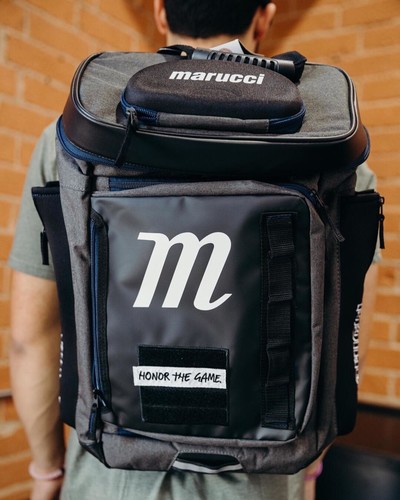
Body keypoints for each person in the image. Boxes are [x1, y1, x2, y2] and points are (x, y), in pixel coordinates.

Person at [8, 1, 378, 499]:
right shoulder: (331, 144)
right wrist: (309, 468)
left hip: (109, 479)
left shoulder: (75, 137)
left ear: (161, 13)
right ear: (264, 17)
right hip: (266, 476)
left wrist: (46, 470)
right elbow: (347, 332)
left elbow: (30, 336)